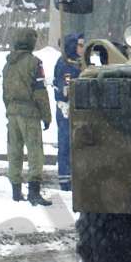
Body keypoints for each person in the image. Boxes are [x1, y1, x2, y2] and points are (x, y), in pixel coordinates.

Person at [1, 27, 52, 204]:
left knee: (14, 151)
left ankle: (16, 190)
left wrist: (9, 108)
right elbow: (40, 92)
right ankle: (34, 192)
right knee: (34, 152)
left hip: (12, 112)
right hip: (29, 113)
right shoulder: (34, 63)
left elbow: (5, 92)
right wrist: (47, 115)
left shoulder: (8, 64)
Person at [52, 31, 81, 191]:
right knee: (66, 144)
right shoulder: (65, 64)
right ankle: (65, 180)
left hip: (74, 108)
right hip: (66, 109)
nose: (82, 49)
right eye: (80, 45)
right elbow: (66, 89)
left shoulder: (77, 62)